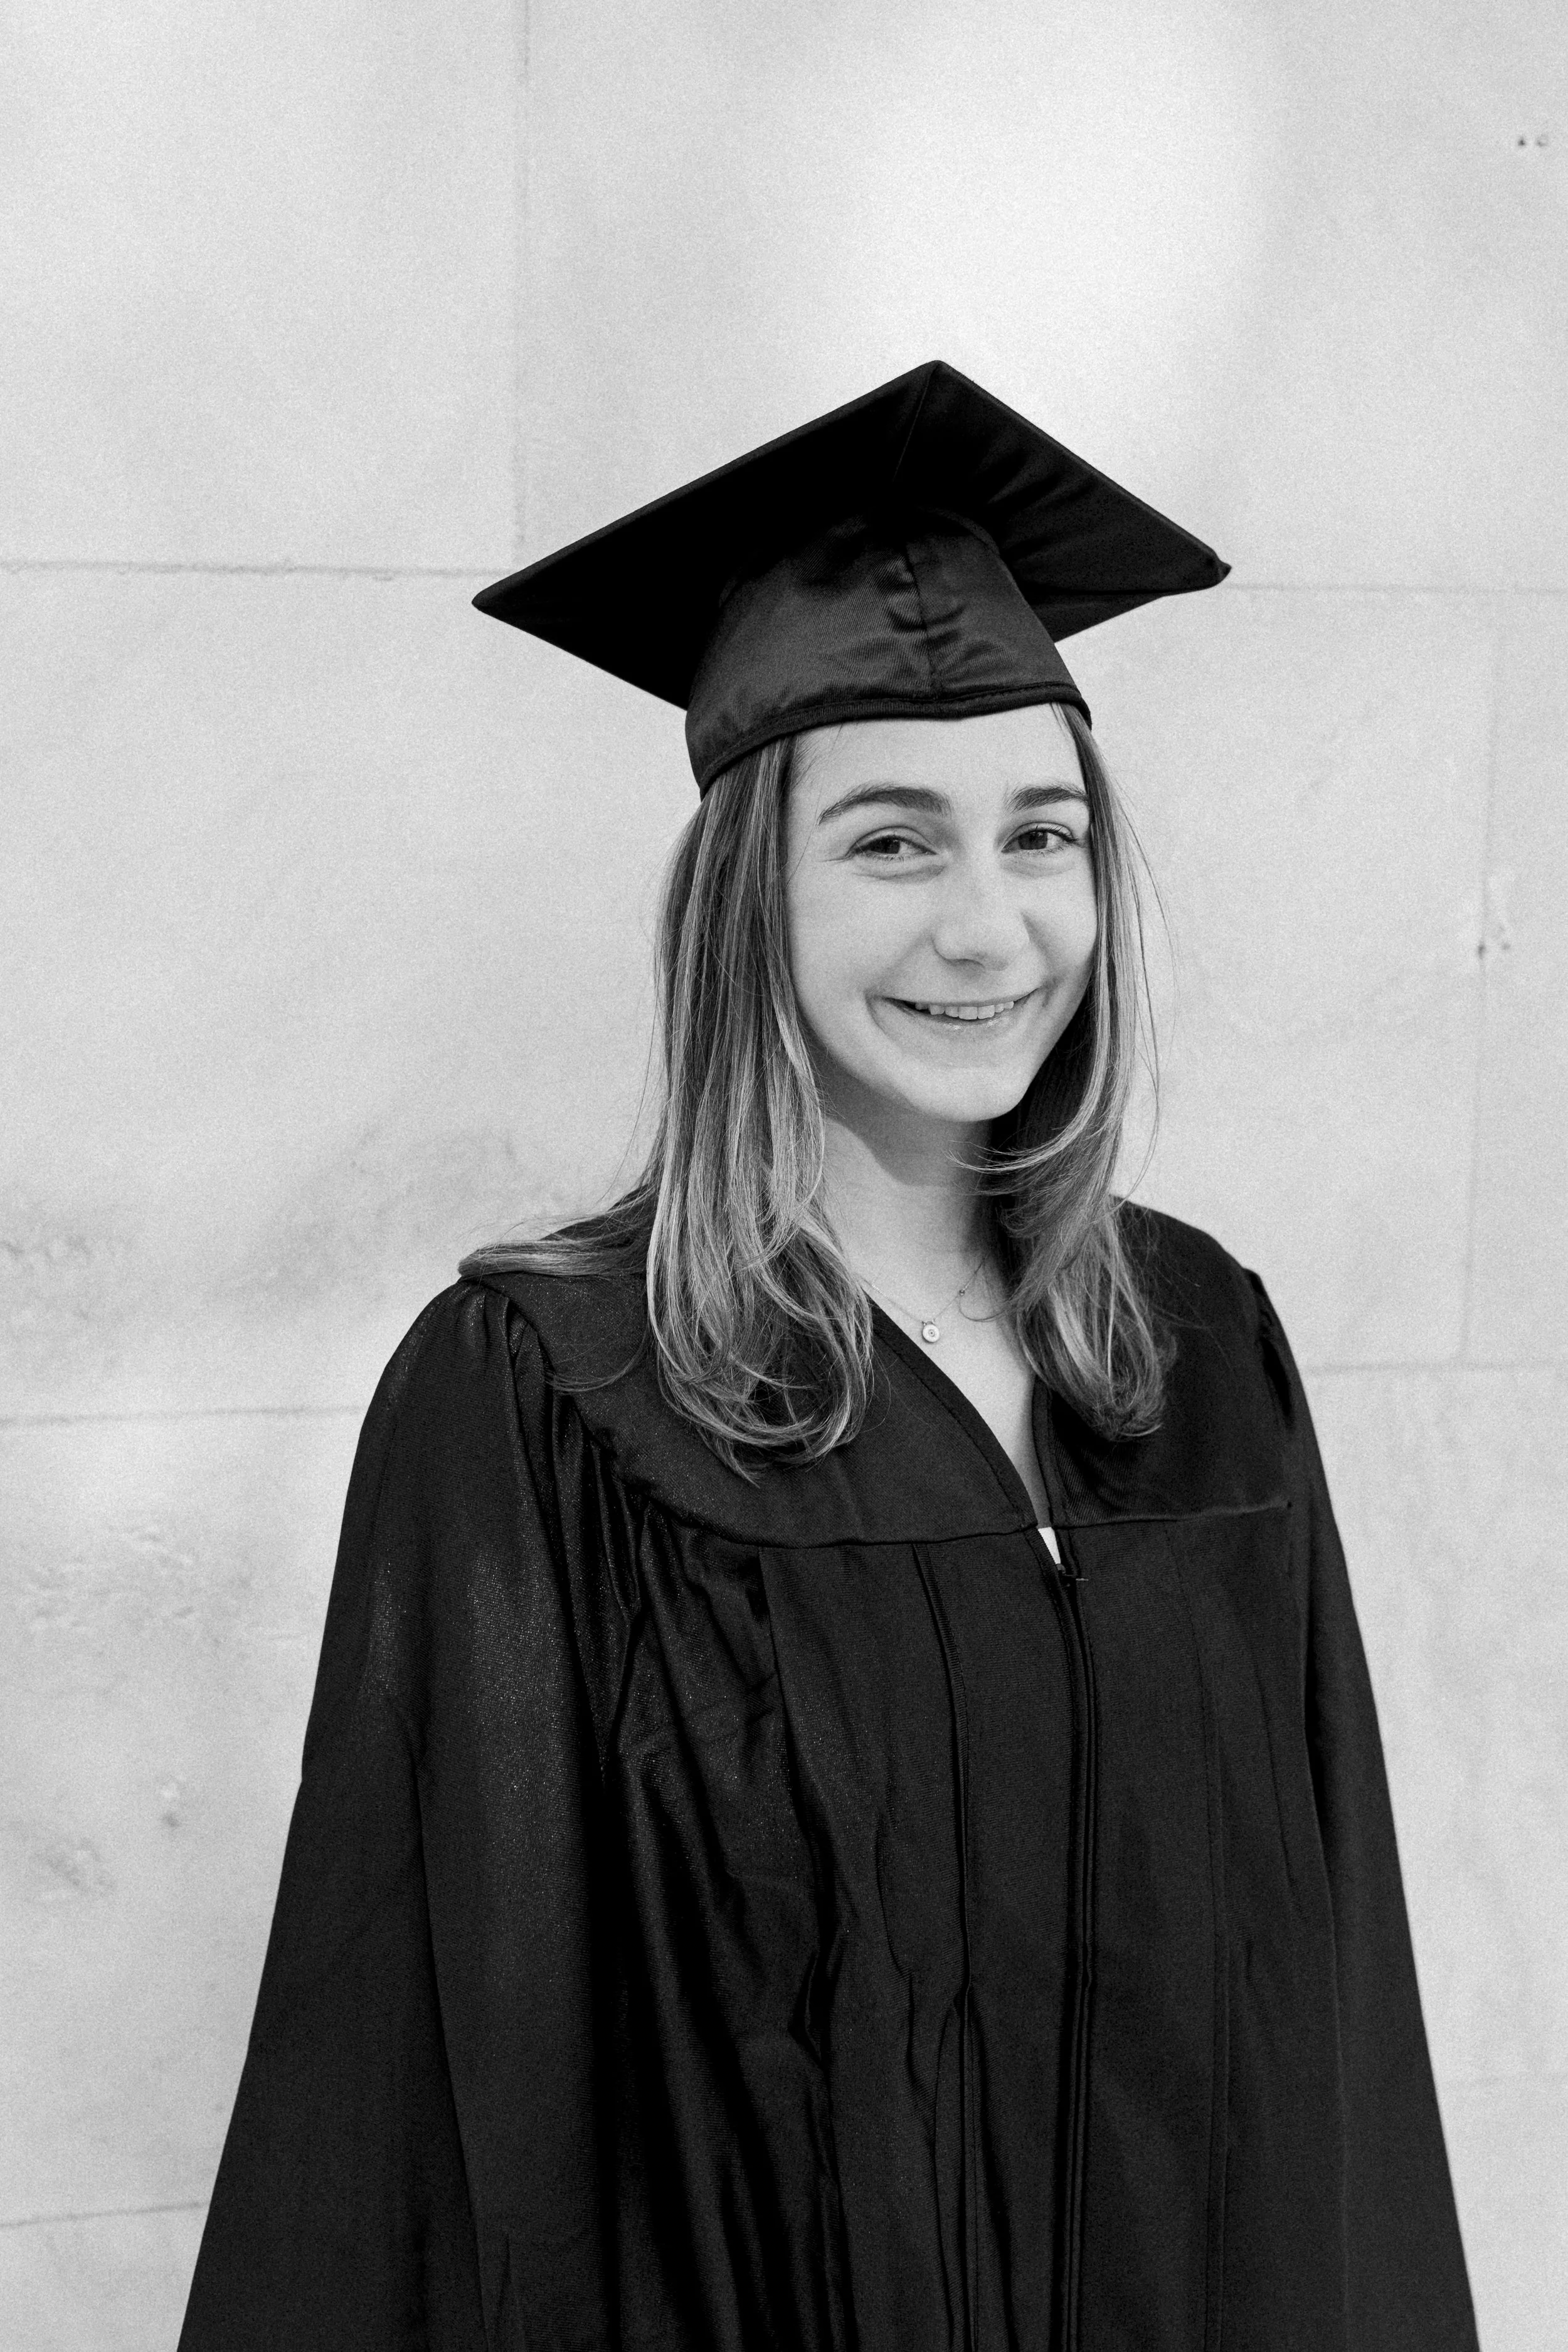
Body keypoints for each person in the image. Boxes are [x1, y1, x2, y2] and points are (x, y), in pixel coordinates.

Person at [178, 364, 1479, 2351]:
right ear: (747, 897)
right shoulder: (548, 1396)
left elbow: (1339, 2045)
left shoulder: (1201, 1351)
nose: (989, 927)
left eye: (1039, 835)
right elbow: (432, 2093)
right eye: (890, 843)